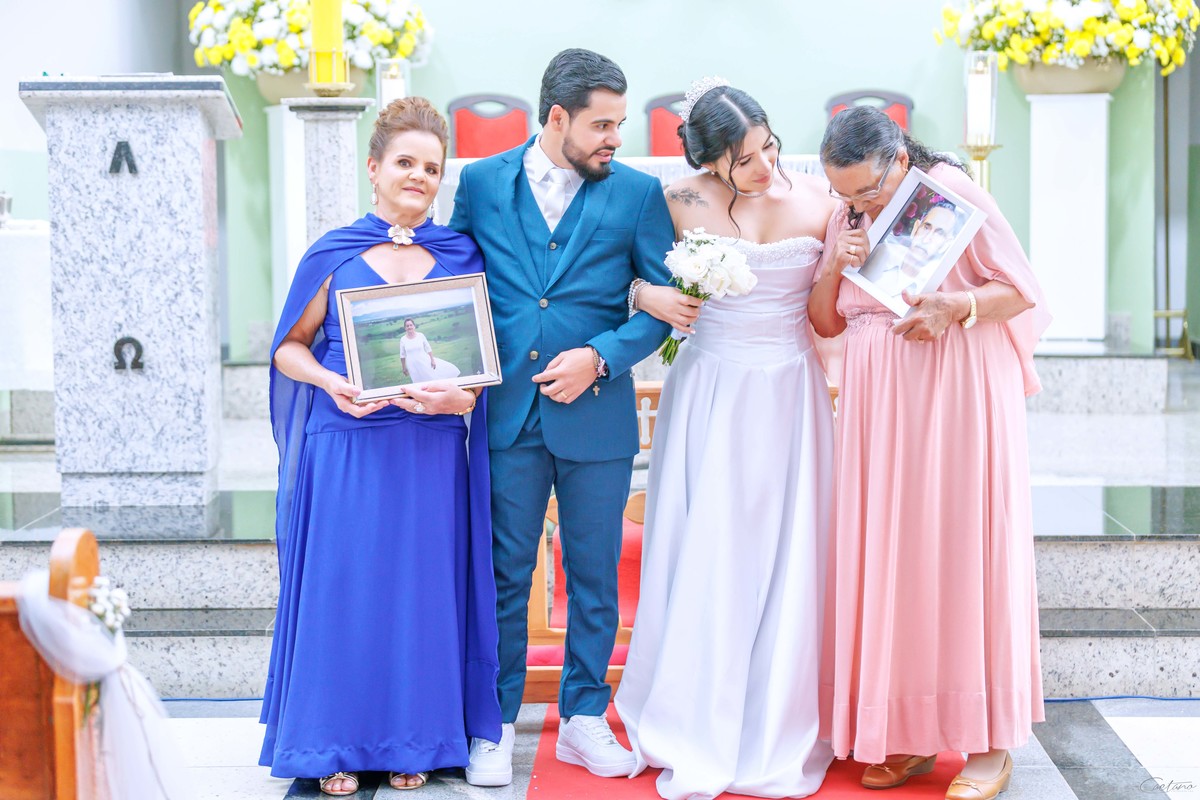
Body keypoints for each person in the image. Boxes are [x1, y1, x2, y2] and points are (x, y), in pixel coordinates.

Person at [260, 97, 501, 796]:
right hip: (347, 445)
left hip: (428, 448)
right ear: (374, 168)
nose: (419, 176)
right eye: (405, 162)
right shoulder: (333, 254)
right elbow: (289, 349)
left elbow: (478, 364)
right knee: (347, 590)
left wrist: (463, 400)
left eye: (431, 167)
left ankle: (413, 738)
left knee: (419, 594)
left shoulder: (460, 256)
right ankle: (332, 742)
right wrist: (331, 382)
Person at [810, 106, 1049, 800]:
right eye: (844, 194)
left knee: (961, 548)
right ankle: (909, 730)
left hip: (955, 390)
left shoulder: (952, 192)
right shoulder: (847, 213)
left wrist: (957, 308)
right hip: (877, 407)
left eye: (867, 190)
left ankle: (989, 741)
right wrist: (835, 261)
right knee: (897, 558)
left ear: (898, 160)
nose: (857, 205)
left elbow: (1021, 291)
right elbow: (825, 320)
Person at [449, 48, 674, 783]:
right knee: (504, 573)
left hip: (597, 416)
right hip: (506, 413)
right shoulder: (482, 183)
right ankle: (491, 723)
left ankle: (583, 718)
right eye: (602, 124)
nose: (616, 138)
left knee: (596, 574)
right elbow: (454, 277)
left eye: (620, 123)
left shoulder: (638, 194)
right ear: (556, 118)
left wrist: (600, 357)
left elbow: (663, 306)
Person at [614, 80, 837, 800]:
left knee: (790, 545)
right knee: (711, 544)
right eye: (744, 160)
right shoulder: (676, 200)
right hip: (710, 392)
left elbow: (833, 310)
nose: (765, 167)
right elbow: (617, 272)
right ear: (708, 162)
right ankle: (695, 710)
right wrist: (644, 294)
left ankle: (783, 711)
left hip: (791, 391)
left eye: (769, 147)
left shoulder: (820, 199)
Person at [863, 200, 959, 297]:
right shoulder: (882, 252)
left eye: (939, 234)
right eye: (926, 228)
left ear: (946, 245)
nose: (926, 239)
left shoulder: (931, 290)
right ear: (915, 228)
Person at [400, 317, 461, 383]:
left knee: (430, 377)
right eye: (407, 326)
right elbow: (402, 355)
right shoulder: (403, 339)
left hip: (424, 361)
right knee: (417, 381)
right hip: (412, 365)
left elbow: (428, 348)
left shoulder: (420, 335)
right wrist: (404, 368)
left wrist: (432, 360)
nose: (409, 327)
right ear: (405, 328)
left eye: (411, 325)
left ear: (414, 326)